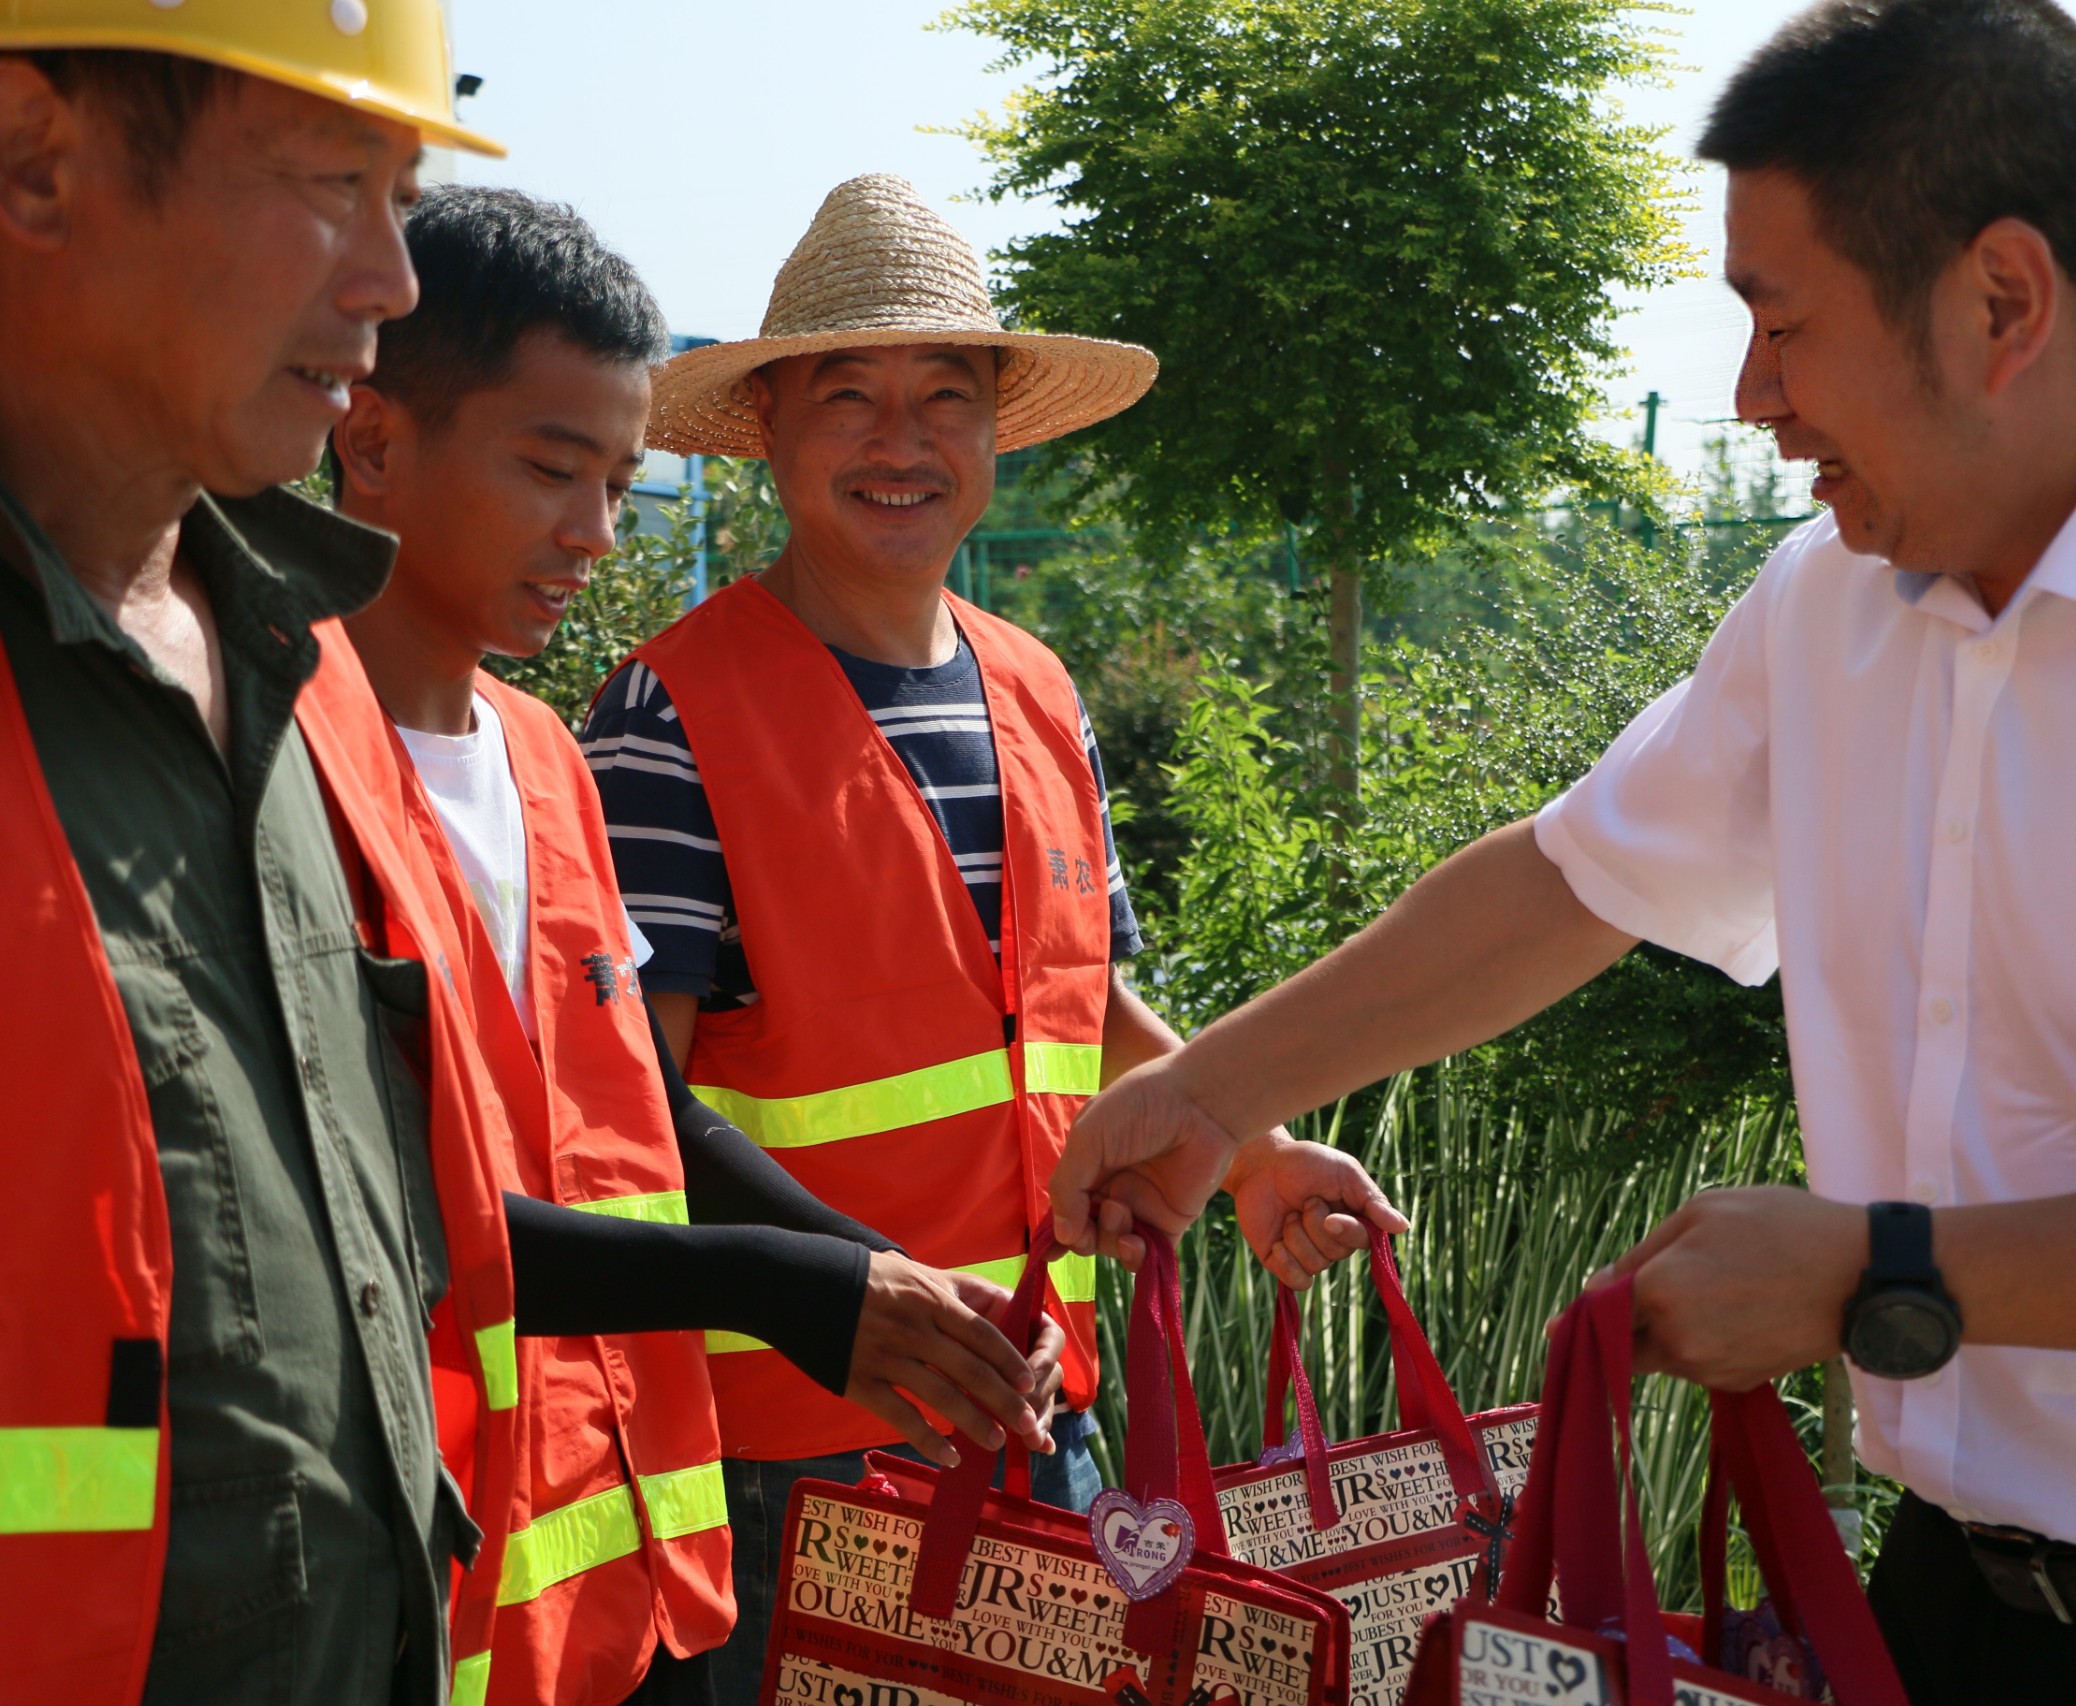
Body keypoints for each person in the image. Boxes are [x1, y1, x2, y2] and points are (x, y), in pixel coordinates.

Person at [1049, 3, 2076, 1700]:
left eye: (1781, 323)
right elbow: (1570, 881)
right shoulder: (1835, 609)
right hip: (1950, 1606)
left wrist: (1874, 1272)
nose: (1755, 398)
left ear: (2004, 301)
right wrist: (1203, 1097)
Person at [584, 172, 1404, 1695]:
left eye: (944, 396)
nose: (903, 441)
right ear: (768, 429)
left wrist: (1253, 1147)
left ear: (993, 434)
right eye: (850, 395)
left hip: (1039, 1415)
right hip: (796, 1447)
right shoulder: (667, 714)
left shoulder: (1036, 689)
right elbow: (632, 1109)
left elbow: (1082, 1010)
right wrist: (853, 1286)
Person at [330, 185, 1065, 1706]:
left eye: (617, 479)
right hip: (421, 1566)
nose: (598, 533)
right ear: (373, 434)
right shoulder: (283, 756)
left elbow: (627, 1125)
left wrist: (877, 1285)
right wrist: (793, 1287)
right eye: (552, 470)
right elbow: (383, 1202)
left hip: (636, 1576)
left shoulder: (540, 759)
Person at [0, 12, 531, 1706]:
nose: (393, 277)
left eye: (404, 193)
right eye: (328, 183)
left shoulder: (312, 674)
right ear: (35, 159)